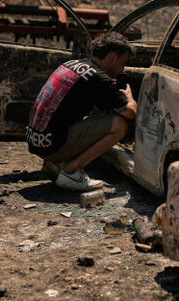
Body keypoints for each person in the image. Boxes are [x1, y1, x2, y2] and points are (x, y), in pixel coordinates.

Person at [25, 32, 137, 191]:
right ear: (112, 57)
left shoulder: (72, 64)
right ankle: (71, 172)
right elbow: (130, 113)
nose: (122, 69)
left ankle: (57, 161)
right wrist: (129, 97)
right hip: (50, 146)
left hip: (35, 141)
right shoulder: (98, 78)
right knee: (119, 125)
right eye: (122, 63)